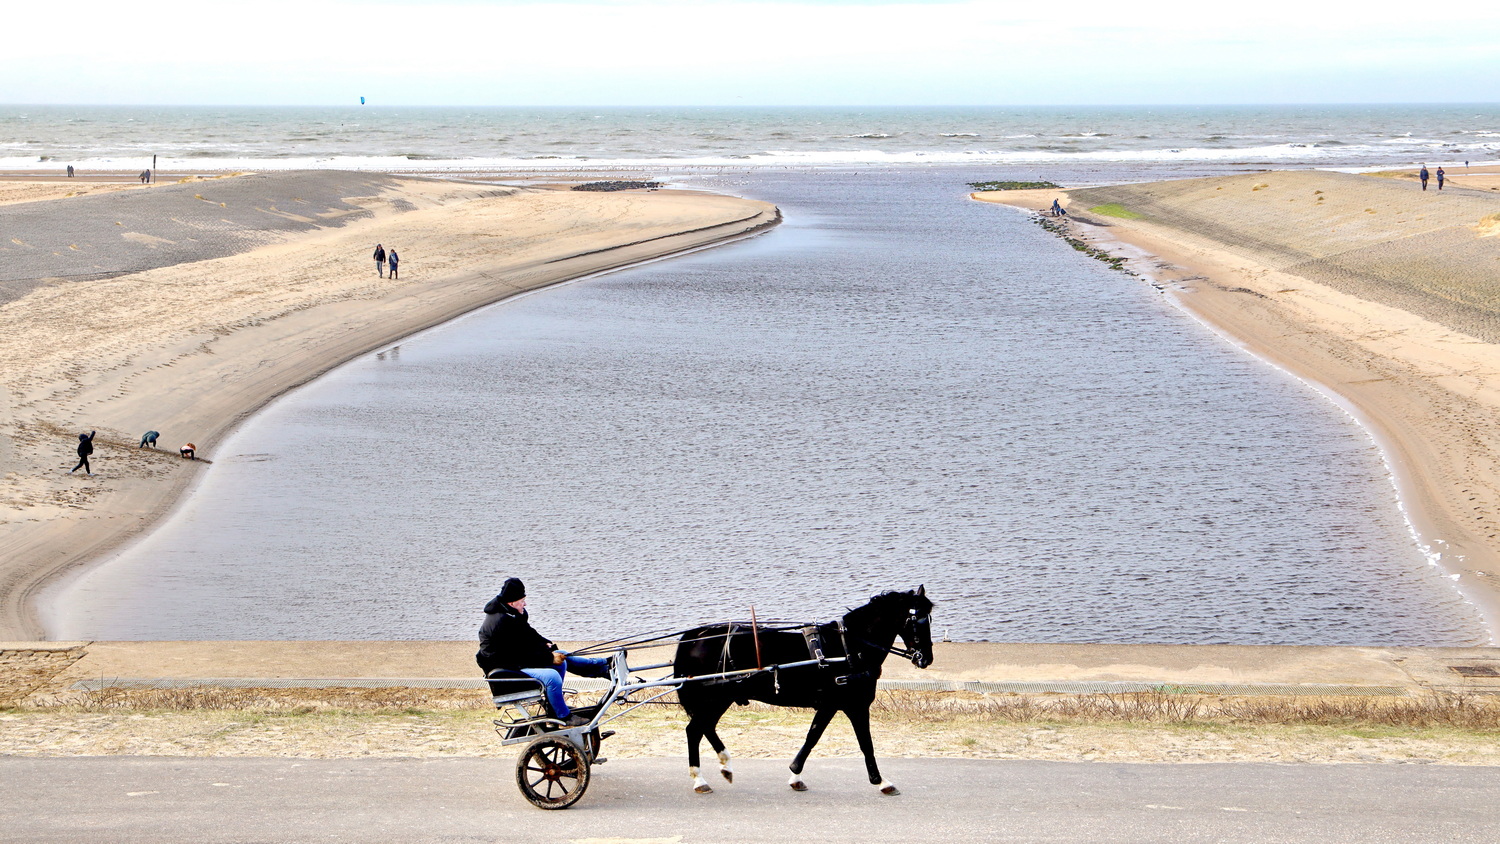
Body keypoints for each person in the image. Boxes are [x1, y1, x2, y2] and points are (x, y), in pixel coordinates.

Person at [476, 577, 609, 726]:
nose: (525, 603)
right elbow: (517, 655)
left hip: (514, 662)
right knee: (552, 677)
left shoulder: (511, 613)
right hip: (506, 670)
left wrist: (546, 644)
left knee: (561, 660)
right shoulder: (501, 622)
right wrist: (548, 658)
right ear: (512, 602)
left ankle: (602, 666)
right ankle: (563, 717)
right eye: (522, 600)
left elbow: (527, 634)